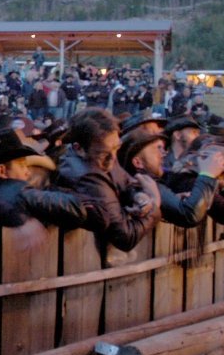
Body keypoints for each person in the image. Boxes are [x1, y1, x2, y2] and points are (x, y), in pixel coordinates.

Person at [56, 107, 159, 251]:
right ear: (79, 148)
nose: (113, 159)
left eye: (116, 148)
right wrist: (155, 203)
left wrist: (139, 198)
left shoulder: (104, 154)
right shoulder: (87, 177)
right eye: (103, 153)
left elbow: (126, 182)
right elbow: (125, 237)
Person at [119, 129, 222, 228]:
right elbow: (189, 214)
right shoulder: (146, 186)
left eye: (163, 148)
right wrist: (207, 174)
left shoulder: (139, 185)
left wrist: (174, 200)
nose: (164, 154)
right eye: (158, 148)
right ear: (138, 162)